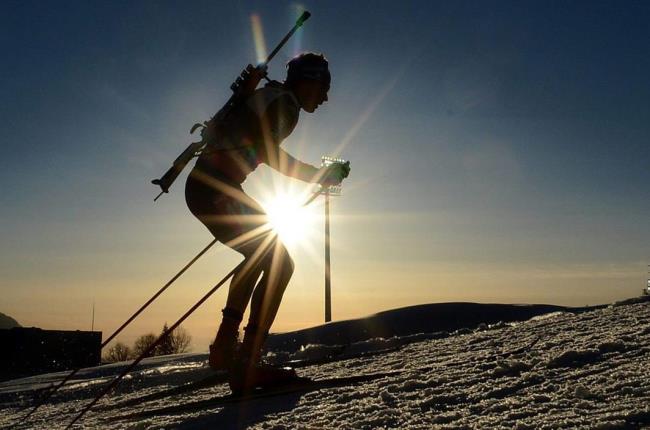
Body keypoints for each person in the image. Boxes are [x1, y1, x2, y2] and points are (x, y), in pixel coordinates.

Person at [185, 52, 348, 391]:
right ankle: (246, 360)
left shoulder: (270, 95)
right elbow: (266, 152)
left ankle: (227, 347)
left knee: (261, 255)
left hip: (209, 186)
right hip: (217, 187)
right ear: (310, 82)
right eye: (324, 88)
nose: (326, 97)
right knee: (279, 261)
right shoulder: (285, 105)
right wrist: (319, 175)